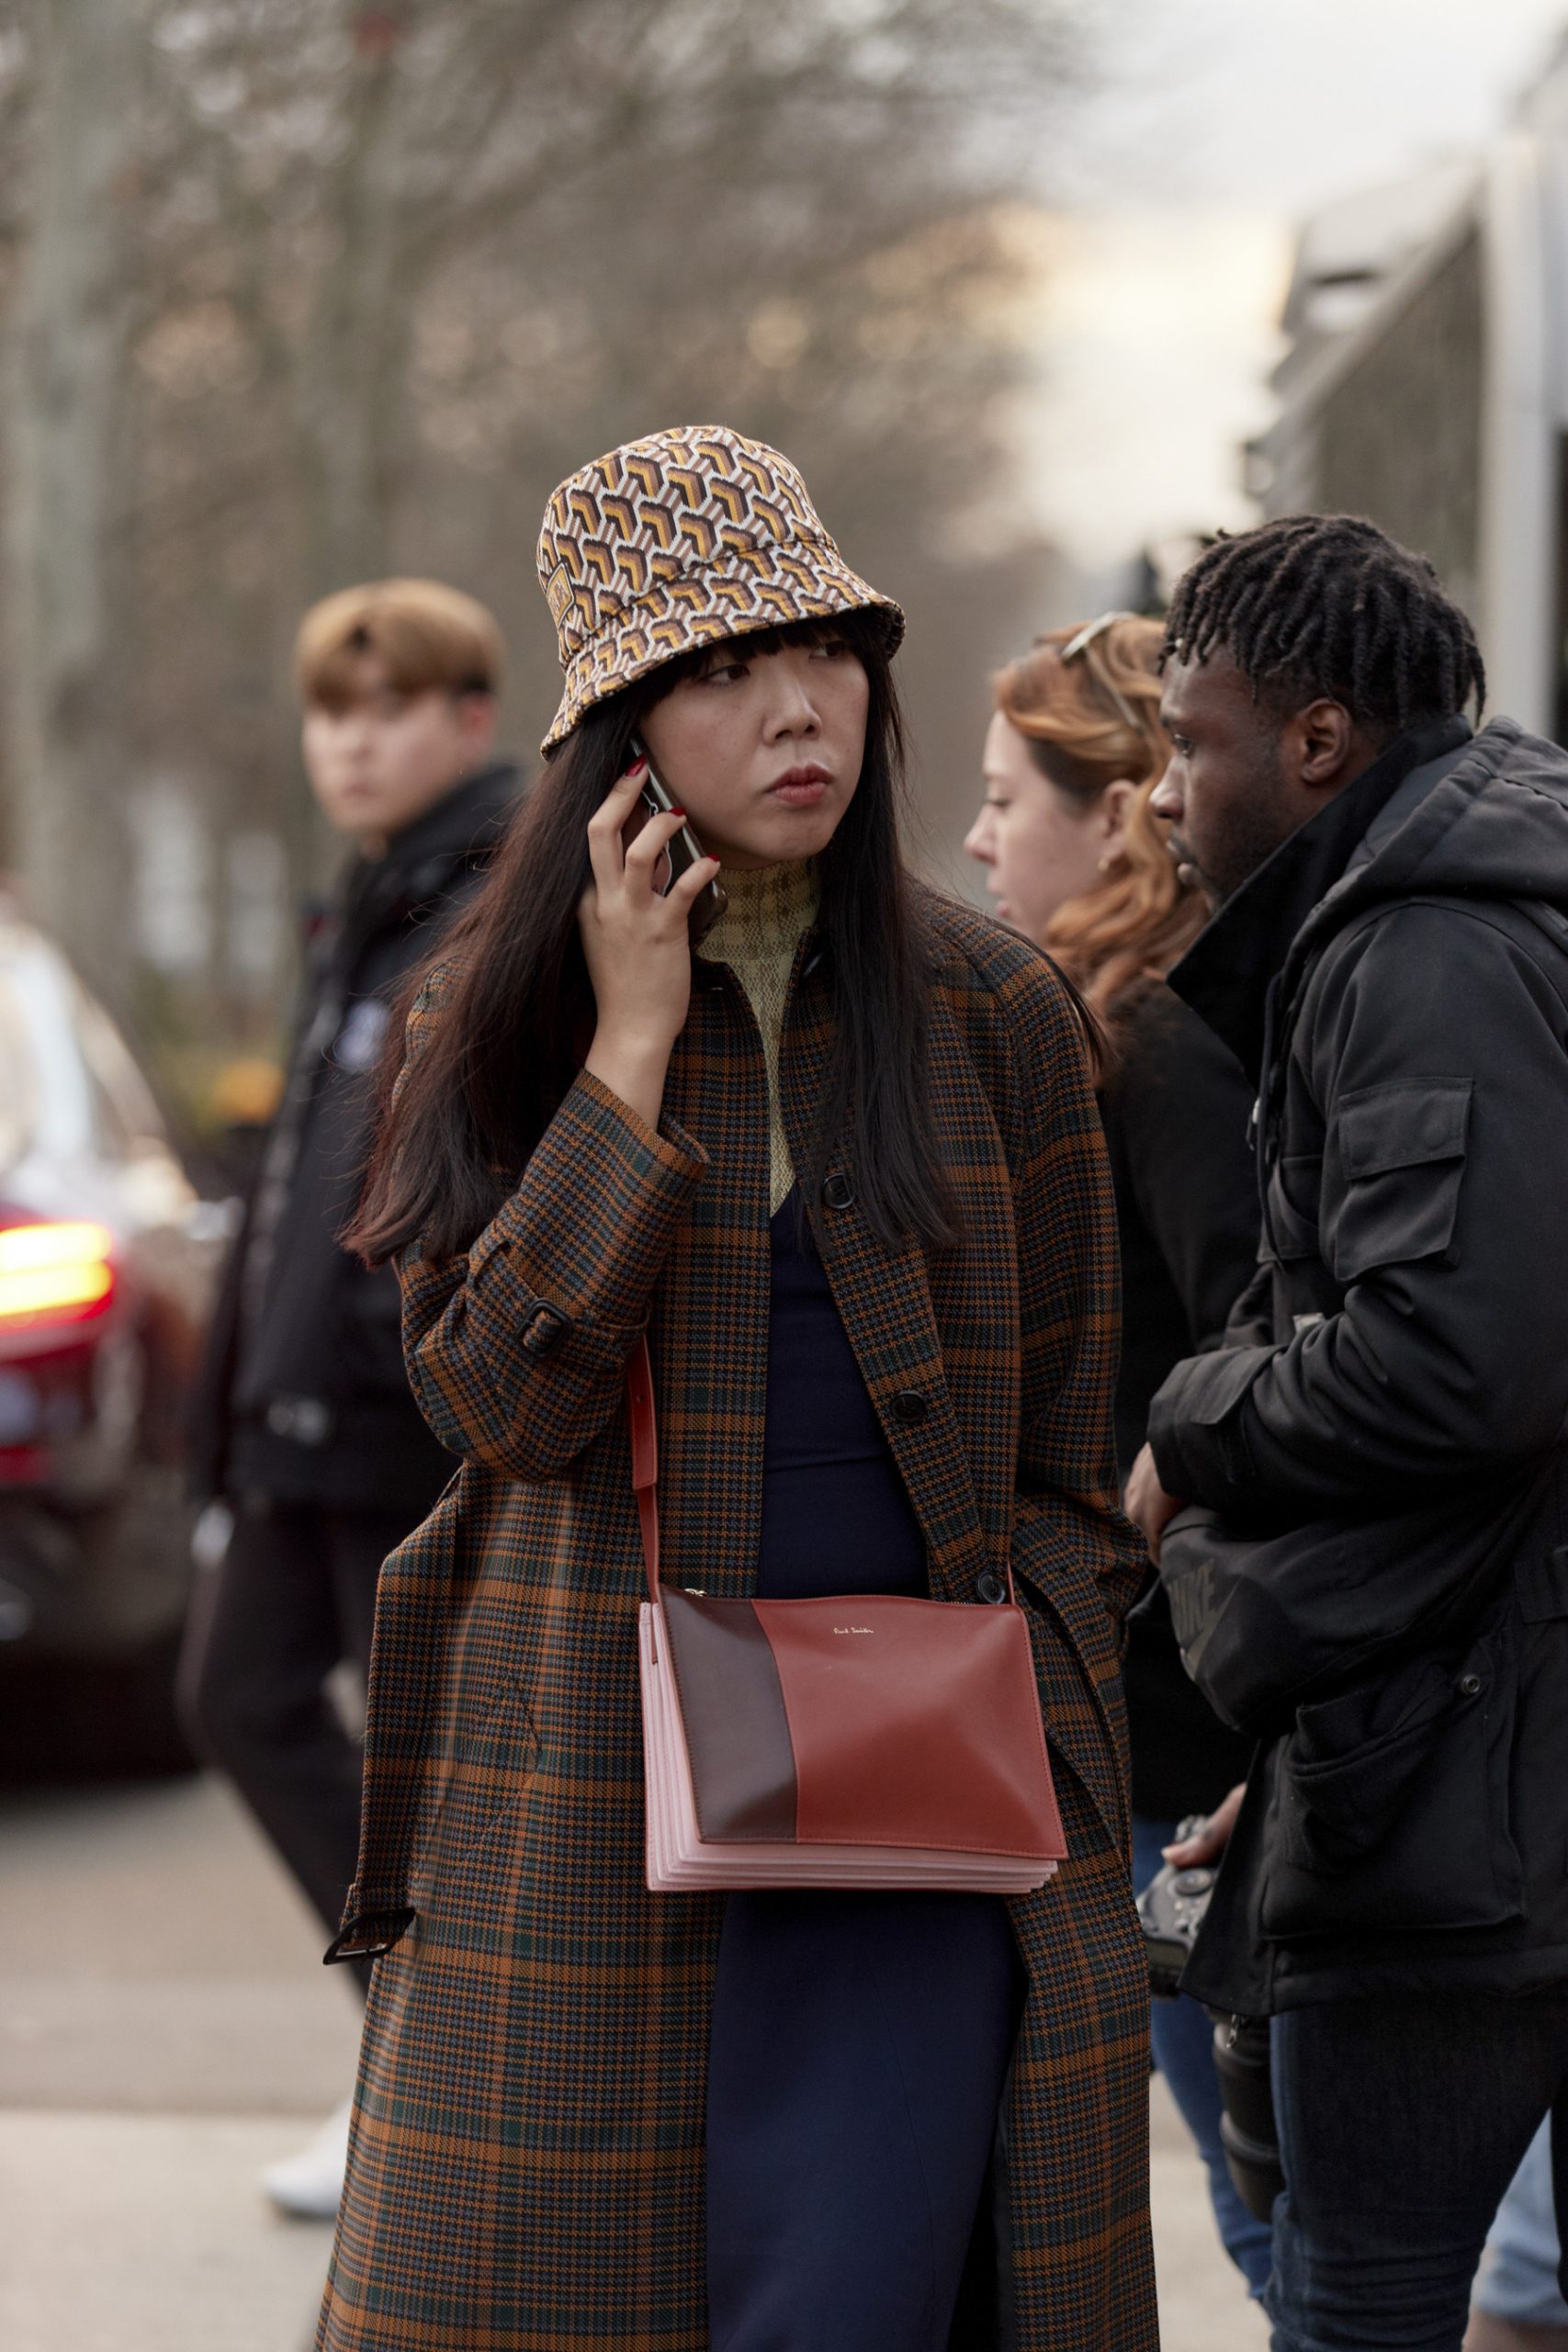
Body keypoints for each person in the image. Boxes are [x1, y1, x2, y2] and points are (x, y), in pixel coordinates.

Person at [314, 425, 1158, 2352]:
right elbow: (490, 1406)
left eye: (823, 649)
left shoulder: (988, 1008)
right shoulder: (498, 1009)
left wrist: (1038, 1686)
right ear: (619, 724)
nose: (795, 706)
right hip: (595, 1783)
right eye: (715, 668)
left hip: (919, 1792)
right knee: (570, 2293)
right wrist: (628, 1045)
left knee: (868, 2294)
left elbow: (1057, 1445)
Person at [1125, 514, 1568, 2351]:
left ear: (1313, 743)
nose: (1162, 791)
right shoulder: (1471, 887)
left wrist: (1188, 1414)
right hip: (1469, 1747)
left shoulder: (1420, 947)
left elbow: (1452, 1360)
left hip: (1468, 1795)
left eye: (1187, 741)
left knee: (1355, 2296)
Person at [180, 579, 521, 2218]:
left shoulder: (483, 898)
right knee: (240, 1697)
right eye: (332, 711)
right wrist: (227, 1417)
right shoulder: (372, 901)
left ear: (469, 718)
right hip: (295, 1423)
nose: (353, 740)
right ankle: (412, 2046)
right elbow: (292, 1195)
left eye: (387, 708)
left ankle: (439, 2080)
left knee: (417, 1782)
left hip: (396, 1425)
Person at [965, 611, 1269, 2296]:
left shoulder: (1152, 1040)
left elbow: (1247, 1332)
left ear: (1120, 811)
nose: (978, 831)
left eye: (1012, 795)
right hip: (1152, 1696)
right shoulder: (1099, 1021)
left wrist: (1140, 1480)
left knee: (1263, 2200)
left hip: (1180, 1710)